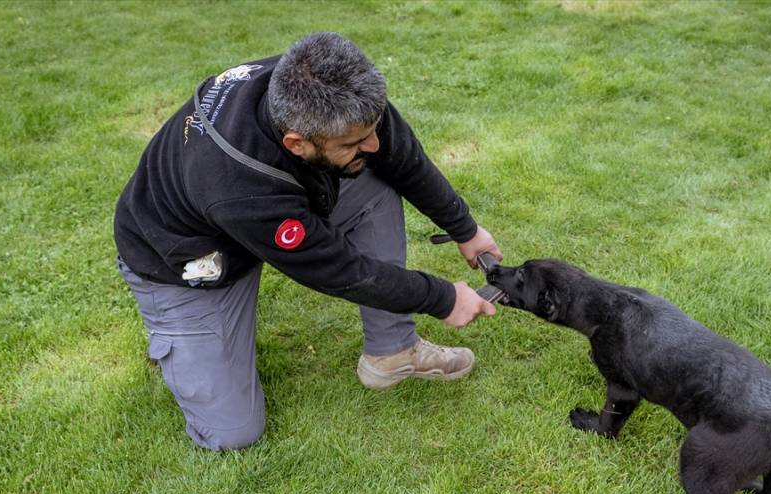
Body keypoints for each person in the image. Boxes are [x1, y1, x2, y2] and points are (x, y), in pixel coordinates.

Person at [114, 32, 501, 451]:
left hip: (267, 207)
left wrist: (466, 230)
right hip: (190, 258)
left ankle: (393, 352)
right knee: (233, 434)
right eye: (353, 143)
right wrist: (442, 298)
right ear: (296, 142)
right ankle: (179, 340)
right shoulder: (237, 184)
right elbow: (337, 269)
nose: (373, 145)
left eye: (371, 130)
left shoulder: (327, 90)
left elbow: (399, 155)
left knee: (373, 183)